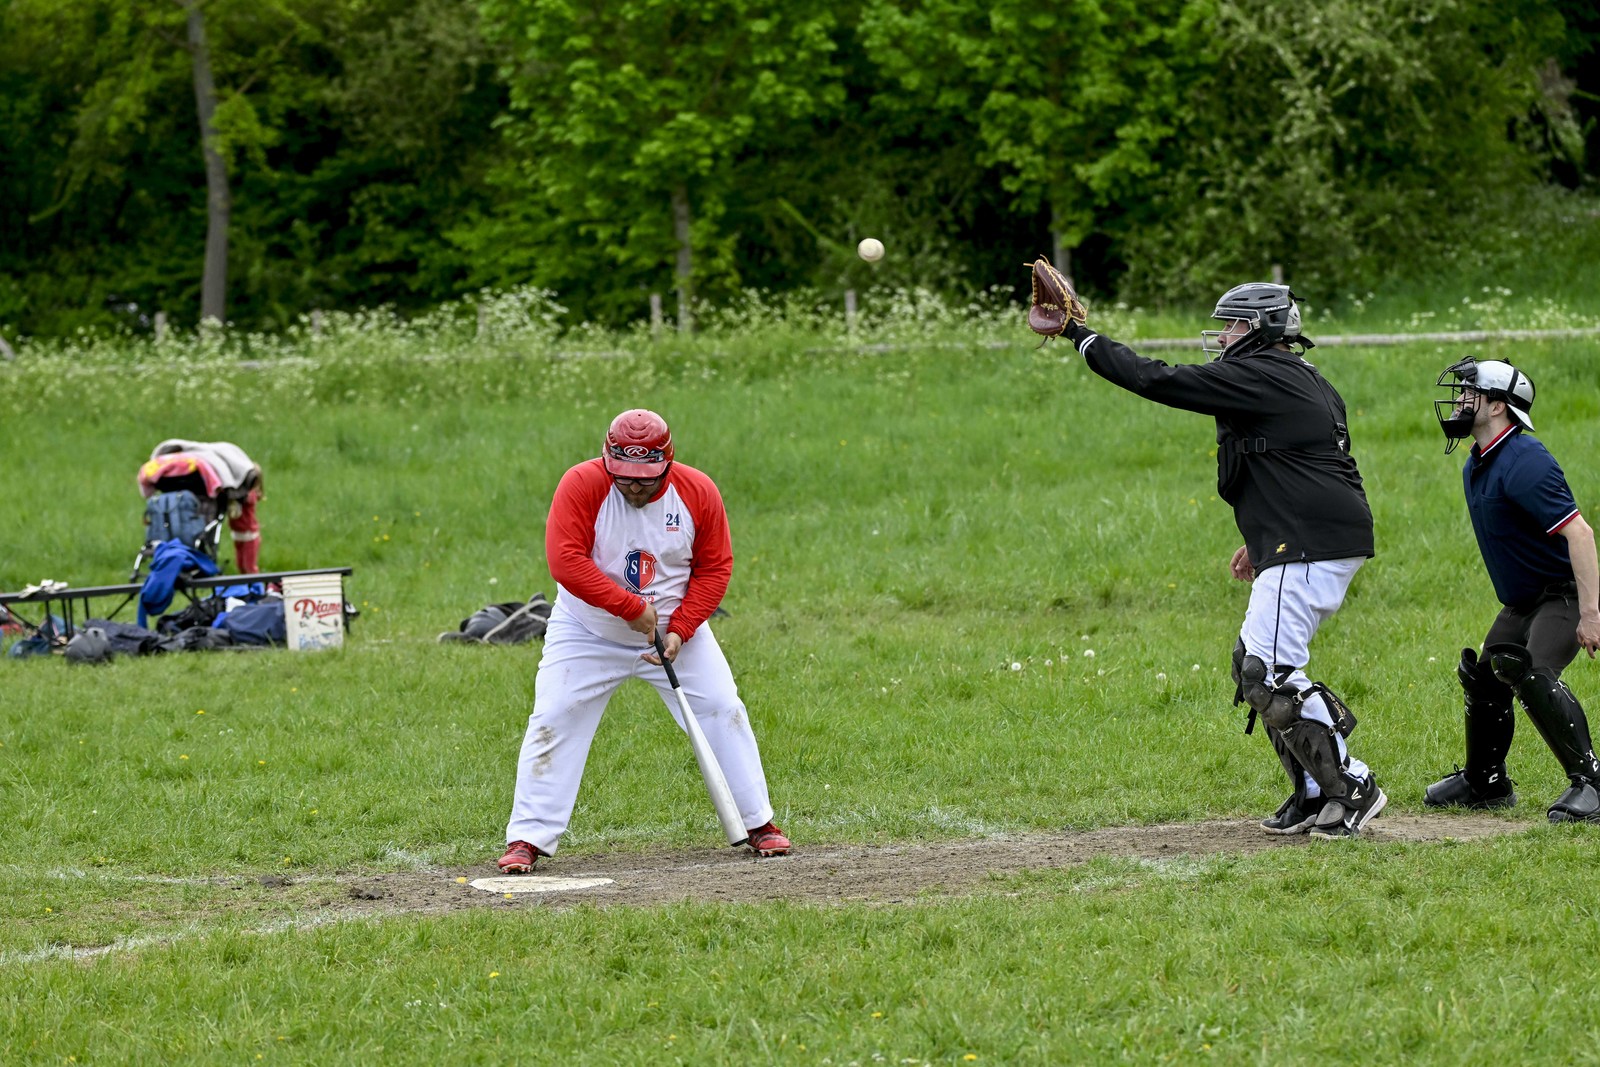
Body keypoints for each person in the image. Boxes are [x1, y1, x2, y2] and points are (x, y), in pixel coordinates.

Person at [1049, 282, 1385, 838]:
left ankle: (1352, 786)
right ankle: (1312, 791)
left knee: (1268, 672)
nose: (1223, 336)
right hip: (1307, 536)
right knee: (1252, 664)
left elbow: (1155, 377)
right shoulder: (1290, 376)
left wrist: (1077, 334)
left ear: (1258, 329)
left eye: (1231, 326)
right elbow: (1297, 470)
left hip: (1311, 542)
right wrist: (1263, 539)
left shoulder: (1263, 374)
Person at [498, 409, 790, 871]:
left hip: (674, 631)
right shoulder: (580, 485)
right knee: (554, 716)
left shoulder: (698, 492)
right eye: (624, 477)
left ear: (668, 464)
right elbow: (566, 561)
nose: (635, 487)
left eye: (646, 479)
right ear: (607, 461)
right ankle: (527, 839)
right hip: (587, 631)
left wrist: (682, 628)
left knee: (722, 708)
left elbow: (715, 567)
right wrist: (631, 609)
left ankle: (758, 823)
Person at [1425, 357, 1600, 822]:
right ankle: (1486, 783)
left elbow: (1580, 534)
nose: (1460, 399)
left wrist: (1591, 614)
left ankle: (1593, 784)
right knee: (1484, 677)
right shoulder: (1480, 461)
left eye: (1471, 393)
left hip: (1563, 594)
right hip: (1524, 600)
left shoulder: (1524, 460)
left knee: (1534, 675)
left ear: (1499, 406)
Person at [141, 439, 264, 573]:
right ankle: (251, 577)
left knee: (246, 556)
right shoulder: (240, 492)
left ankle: (250, 576)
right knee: (247, 557)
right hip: (244, 534)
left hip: (244, 534)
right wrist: (217, 491)